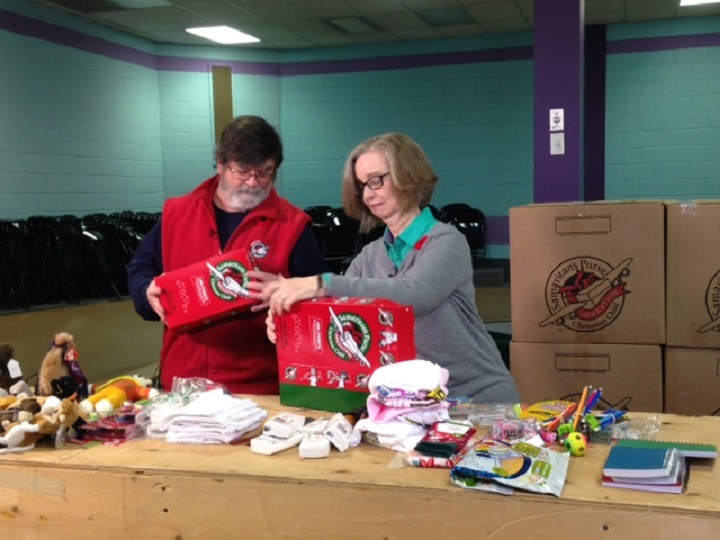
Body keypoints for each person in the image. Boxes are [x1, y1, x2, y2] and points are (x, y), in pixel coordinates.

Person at [261, 132, 519, 404]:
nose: (368, 194)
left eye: (376, 180)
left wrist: (320, 283)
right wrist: (290, 323)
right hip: (415, 403)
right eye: (362, 186)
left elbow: (413, 295)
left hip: (477, 398)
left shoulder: (447, 241)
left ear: (408, 175)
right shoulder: (369, 256)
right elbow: (336, 318)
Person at [127, 115, 329, 394]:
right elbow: (139, 270)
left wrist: (287, 292)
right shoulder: (177, 214)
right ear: (221, 164)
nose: (253, 183)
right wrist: (146, 292)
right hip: (181, 385)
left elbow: (323, 299)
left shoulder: (293, 225)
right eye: (242, 171)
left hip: (259, 388)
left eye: (264, 172)